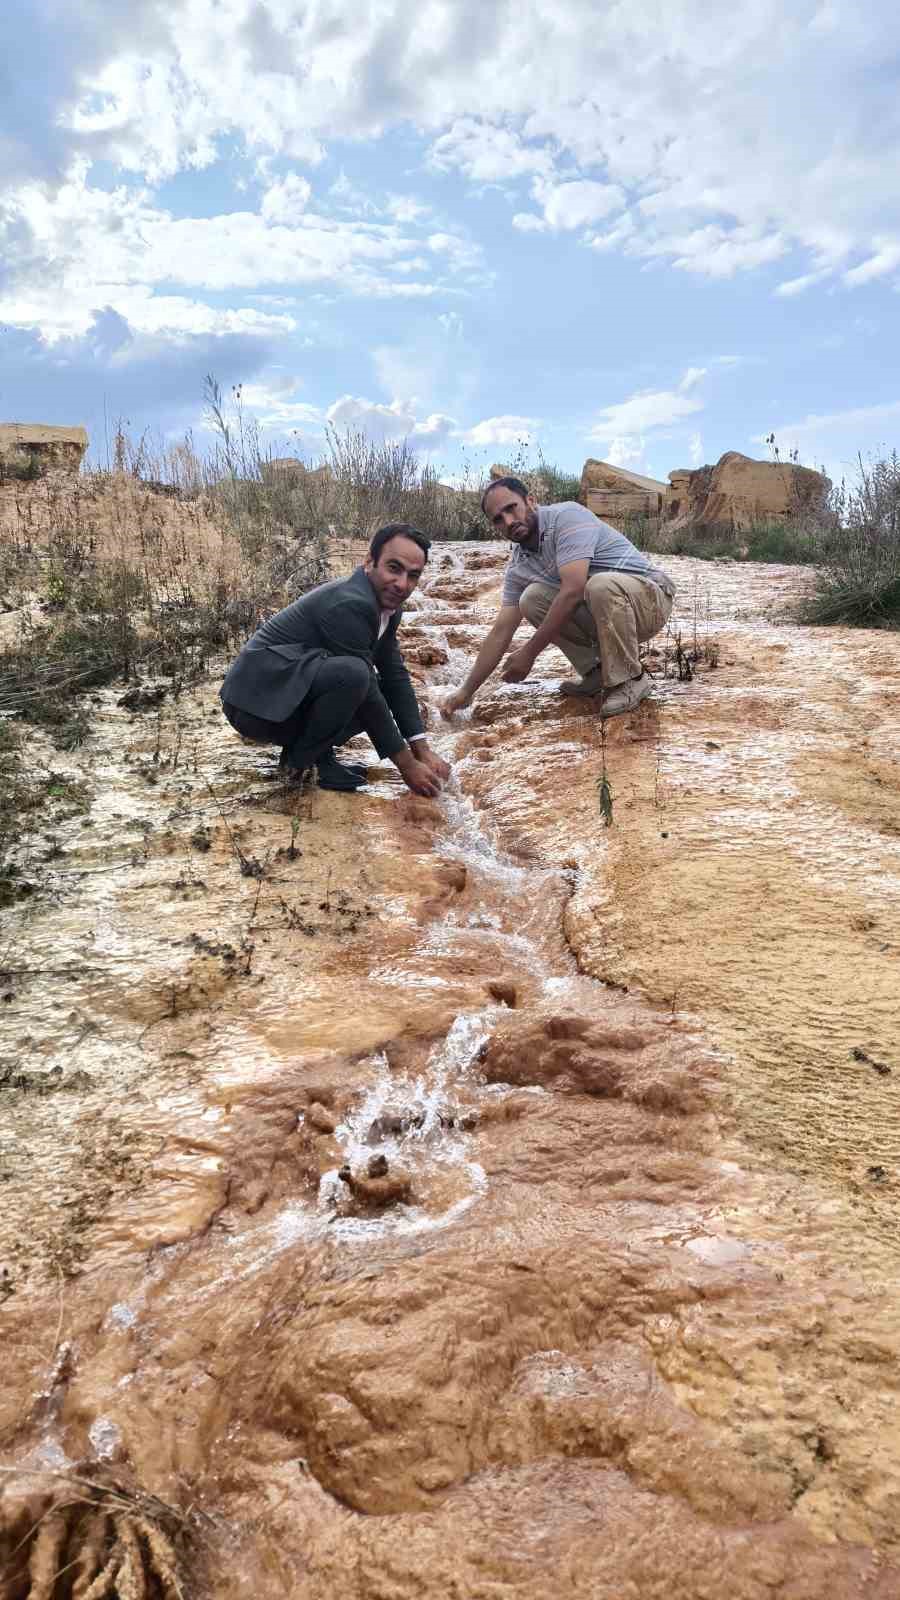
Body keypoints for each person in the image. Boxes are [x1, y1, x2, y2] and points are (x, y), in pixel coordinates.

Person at [221, 523, 450, 797]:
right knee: (355, 676)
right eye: (393, 568)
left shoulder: (387, 605)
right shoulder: (351, 603)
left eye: (413, 576)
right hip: (254, 705)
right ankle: (298, 764)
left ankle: (319, 758)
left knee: (369, 680)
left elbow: (394, 674)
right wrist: (407, 765)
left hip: (284, 692)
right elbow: (365, 691)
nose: (403, 584)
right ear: (369, 562)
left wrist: (421, 748)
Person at [442, 478, 676, 720]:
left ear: (531, 501)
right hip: (608, 608)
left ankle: (631, 679)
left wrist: (529, 653)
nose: (509, 521)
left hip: (651, 600)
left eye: (511, 508)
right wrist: (466, 691)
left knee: (598, 584)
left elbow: (574, 589)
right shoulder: (519, 565)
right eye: (498, 519)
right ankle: (596, 672)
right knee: (531, 599)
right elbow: (501, 630)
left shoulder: (567, 517)